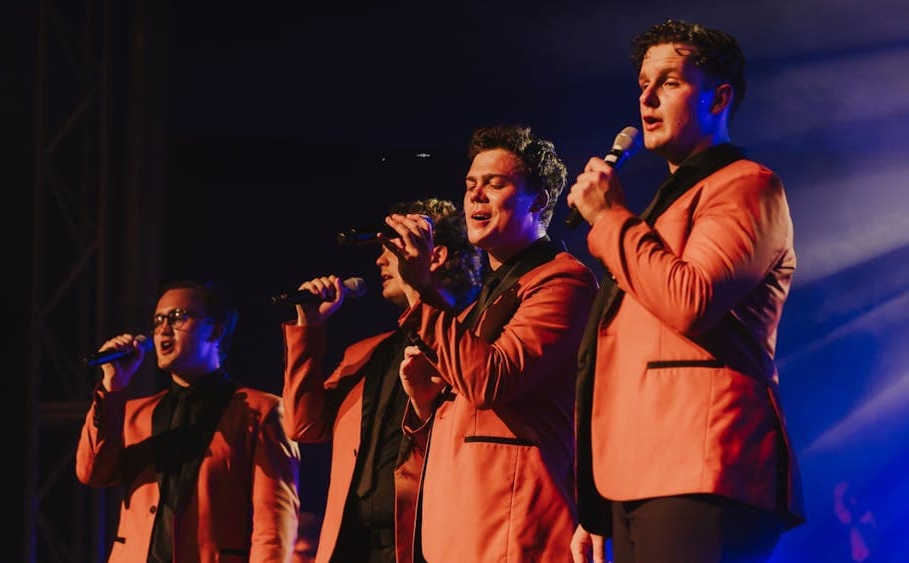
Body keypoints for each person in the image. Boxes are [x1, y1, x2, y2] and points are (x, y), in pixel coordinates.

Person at [566, 19, 806, 563]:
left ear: (719, 97)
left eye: (670, 82)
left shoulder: (748, 184)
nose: (647, 97)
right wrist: (597, 505)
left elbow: (690, 299)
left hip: (705, 466)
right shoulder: (661, 209)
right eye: (643, 84)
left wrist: (608, 218)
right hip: (636, 474)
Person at [388, 125, 599, 561]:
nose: (475, 197)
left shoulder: (564, 281)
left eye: (495, 184)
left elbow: (491, 381)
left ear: (538, 202)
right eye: (470, 185)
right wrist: (426, 402)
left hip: (513, 530)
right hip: (457, 532)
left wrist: (417, 292)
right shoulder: (475, 307)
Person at [281, 198, 482, 563]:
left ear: (433, 257)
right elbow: (303, 425)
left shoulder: (474, 346)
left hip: (432, 544)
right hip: (354, 544)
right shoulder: (365, 354)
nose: (378, 260)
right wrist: (309, 326)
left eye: (391, 247)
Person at [75, 280, 301, 562]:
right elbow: (92, 473)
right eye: (158, 320)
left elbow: (273, 521)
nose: (163, 329)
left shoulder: (261, 412)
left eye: (178, 317)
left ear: (216, 332)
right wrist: (112, 388)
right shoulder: (134, 413)